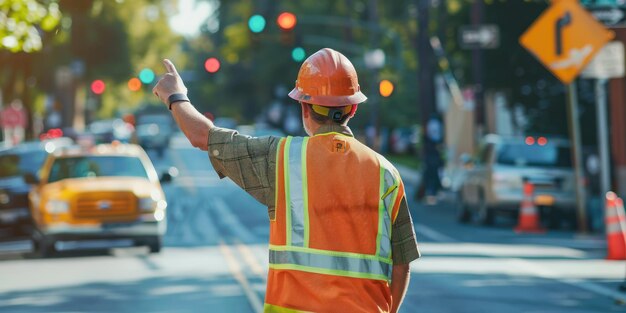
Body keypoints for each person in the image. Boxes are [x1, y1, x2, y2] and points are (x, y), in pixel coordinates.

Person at [153, 48, 420, 313]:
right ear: (352, 108)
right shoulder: (386, 173)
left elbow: (204, 137)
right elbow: (402, 263)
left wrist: (176, 95)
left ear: (304, 106)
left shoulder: (282, 158)